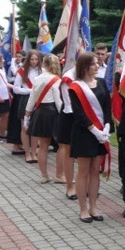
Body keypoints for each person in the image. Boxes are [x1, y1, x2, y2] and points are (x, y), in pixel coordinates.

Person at [68, 52, 111, 223]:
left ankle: (94, 207)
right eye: (93, 63)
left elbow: (107, 106)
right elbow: (78, 113)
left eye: (97, 63)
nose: (97, 66)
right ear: (85, 66)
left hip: (101, 133)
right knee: (83, 172)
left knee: (95, 171)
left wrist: (106, 126)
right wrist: (94, 130)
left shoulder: (101, 83)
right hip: (85, 133)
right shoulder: (75, 87)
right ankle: (83, 208)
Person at [24, 54, 62, 183]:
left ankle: (44, 176)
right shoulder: (56, 79)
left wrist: (27, 114)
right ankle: (59, 175)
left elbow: (32, 98)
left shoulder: (38, 78)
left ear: (43, 64)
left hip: (40, 112)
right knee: (62, 145)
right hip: (53, 112)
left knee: (43, 146)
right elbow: (58, 101)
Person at [11, 50, 41, 162]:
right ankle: (27, 153)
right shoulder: (21, 71)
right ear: (28, 60)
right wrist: (30, 90)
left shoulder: (41, 71)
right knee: (25, 127)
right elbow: (16, 89)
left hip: (38, 100)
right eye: (32, 59)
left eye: (36, 59)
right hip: (26, 100)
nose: (34, 62)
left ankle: (34, 153)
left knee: (35, 128)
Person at [56, 65, 77, 199]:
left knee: (85, 156)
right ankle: (70, 186)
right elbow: (70, 105)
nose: (97, 64)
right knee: (69, 152)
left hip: (87, 120)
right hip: (71, 117)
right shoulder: (69, 77)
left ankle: (84, 185)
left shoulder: (96, 79)